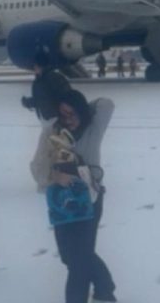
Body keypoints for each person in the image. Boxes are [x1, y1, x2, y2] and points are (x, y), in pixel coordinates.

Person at [46, 90, 117, 303]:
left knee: (80, 259)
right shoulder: (55, 131)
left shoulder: (93, 129)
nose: (69, 119)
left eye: (72, 113)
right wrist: (54, 175)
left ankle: (86, 296)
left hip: (90, 200)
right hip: (63, 202)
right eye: (64, 114)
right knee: (70, 256)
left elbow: (106, 103)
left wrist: (79, 106)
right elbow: (42, 163)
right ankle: (105, 285)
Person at [22, 52, 72, 191]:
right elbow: (43, 100)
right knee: (51, 158)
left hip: (54, 125)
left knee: (42, 160)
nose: (34, 69)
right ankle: (53, 183)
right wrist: (30, 103)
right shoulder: (43, 80)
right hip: (49, 124)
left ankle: (46, 186)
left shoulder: (49, 79)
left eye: (35, 66)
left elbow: (62, 99)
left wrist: (61, 119)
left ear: (39, 65)